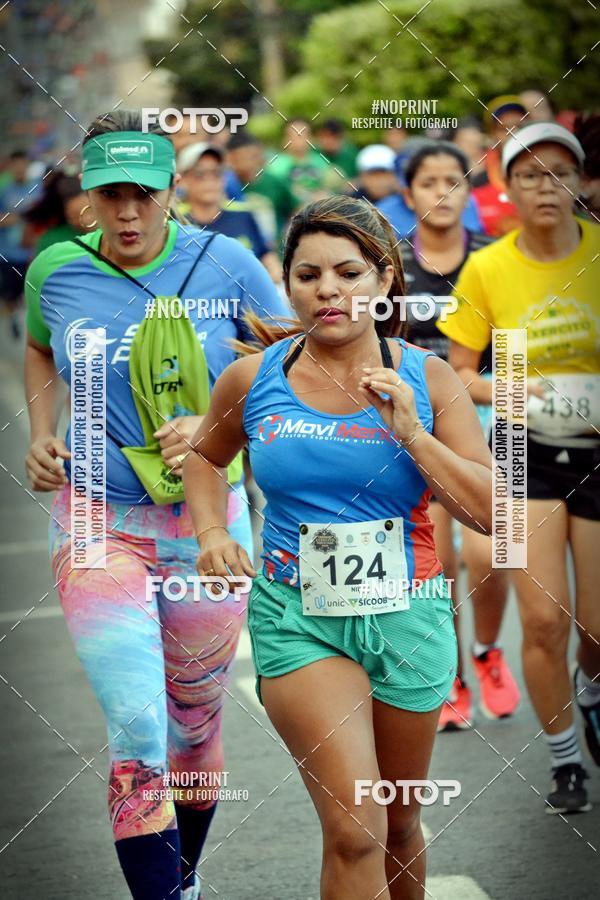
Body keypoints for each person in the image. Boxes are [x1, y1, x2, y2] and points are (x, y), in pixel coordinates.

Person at [183, 196, 493, 899]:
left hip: (409, 617)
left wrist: (413, 435)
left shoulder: (428, 378)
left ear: (383, 281)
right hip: (298, 618)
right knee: (356, 829)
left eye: (349, 273)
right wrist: (211, 532)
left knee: (400, 825)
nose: (328, 290)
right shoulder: (252, 379)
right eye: (308, 274)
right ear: (287, 284)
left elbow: (488, 514)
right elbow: (203, 456)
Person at [24, 109, 288, 900]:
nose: (129, 212)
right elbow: (37, 345)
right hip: (96, 519)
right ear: (87, 197)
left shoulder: (227, 262)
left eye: (145, 192)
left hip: (205, 528)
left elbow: (291, 367)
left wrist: (216, 427)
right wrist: (41, 432)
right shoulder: (56, 270)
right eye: (112, 195)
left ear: (173, 189)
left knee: (194, 730)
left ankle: (184, 878)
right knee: (138, 726)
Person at [438, 122, 600, 814]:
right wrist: (516, 391)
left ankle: (591, 691)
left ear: (580, 182)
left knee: (595, 629)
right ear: (508, 187)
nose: (547, 186)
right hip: (519, 451)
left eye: (560, 172)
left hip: (596, 452)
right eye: (531, 174)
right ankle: (565, 761)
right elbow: (459, 373)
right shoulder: (488, 268)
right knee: (543, 621)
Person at [400, 142, 520, 729]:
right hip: (416, 426)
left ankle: (487, 650)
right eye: (429, 182)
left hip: (491, 419)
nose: (442, 192)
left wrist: (506, 397)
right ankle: (448, 674)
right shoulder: (392, 262)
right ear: (409, 194)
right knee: (439, 561)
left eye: (454, 180)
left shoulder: (494, 259)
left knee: (493, 551)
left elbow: (518, 346)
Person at [178, 141, 282, 283]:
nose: (210, 180)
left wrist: (274, 278)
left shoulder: (243, 213)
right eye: (200, 174)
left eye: (217, 173)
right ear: (182, 180)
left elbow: (266, 254)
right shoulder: (175, 220)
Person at [225, 131, 299, 244]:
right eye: (241, 159)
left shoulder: (273, 182)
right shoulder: (225, 186)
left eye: (252, 157)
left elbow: (296, 208)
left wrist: (287, 236)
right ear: (230, 159)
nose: (247, 164)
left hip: (274, 250)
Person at [471, 95, 526, 236]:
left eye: (519, 126)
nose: (513, 133)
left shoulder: (550, 176)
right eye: (504, 128)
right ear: (493, 135)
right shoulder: (478, 183)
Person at [0, 149, 42, 337]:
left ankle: (28, 324)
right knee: (10, 293)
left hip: (32, 253)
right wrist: (15, 218)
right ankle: (13, 319)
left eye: (22, 164)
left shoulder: (38, 188)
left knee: (31, 290)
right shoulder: (4, 190)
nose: (19, 168)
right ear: (10, 166)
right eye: (15, 164)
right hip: (8, 253)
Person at [266, 118, 344, 204]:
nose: (298, 140)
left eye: (303, 135)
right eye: (293, 136)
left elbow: (336, 186)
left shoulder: (321, 161)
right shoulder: (275, 165)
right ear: (285, 138)